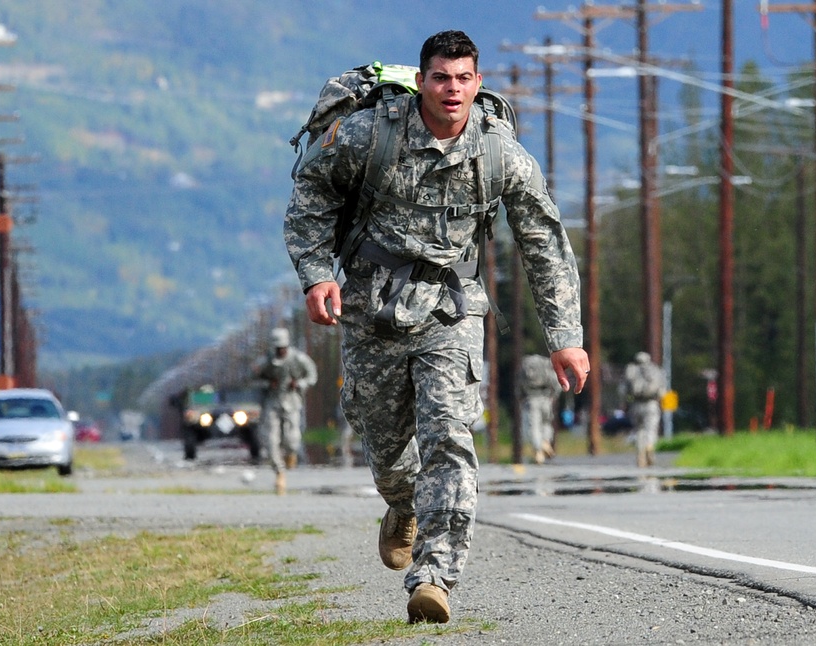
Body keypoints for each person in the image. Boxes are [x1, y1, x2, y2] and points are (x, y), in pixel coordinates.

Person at [284, 30, 589, 624]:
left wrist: (566, 337)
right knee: (385, 449)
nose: (453, 90)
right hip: (370, 307)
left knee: (449, 436)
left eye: (464, 78)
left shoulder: (500, 154)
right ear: (422, 81)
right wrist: (317, 274)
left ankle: (435, 576)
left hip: (451, 310)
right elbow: (311, 196)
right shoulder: (372, 135)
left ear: (478, 83)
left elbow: (544, 245)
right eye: (442, 78)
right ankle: (402, 506)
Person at [252, 327, 318, 494]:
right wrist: (267, 384)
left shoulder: (298, 359)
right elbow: (253, 379)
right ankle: (279, 472)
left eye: (283, 347)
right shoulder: (265, 361)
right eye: (277, 348)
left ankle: (291, 454)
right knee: (271, 439)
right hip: (272, 403)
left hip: (292, 401)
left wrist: (300, 384)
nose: (280, 350)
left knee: (292, 438)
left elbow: (312, 375)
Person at [624, 351, 667, 468]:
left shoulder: (631, 370)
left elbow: (624, 390)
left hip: (636, 404)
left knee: (638, 430)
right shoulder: (655, 370)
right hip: (651, 404)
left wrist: (626, 403)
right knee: (651, 429)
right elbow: (662, 390)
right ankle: (649, 447)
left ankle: (640, 453)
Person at [517, 354, 562, 464]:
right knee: (546, 423)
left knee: (534, 427)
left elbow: (519, 387)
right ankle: (546, 441)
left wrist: (521, 399)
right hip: (546, 400)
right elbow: (556, 384)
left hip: (531, 400)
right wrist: (553, 396)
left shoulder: (525, 367)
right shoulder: (545, 365)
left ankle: (538, 451)